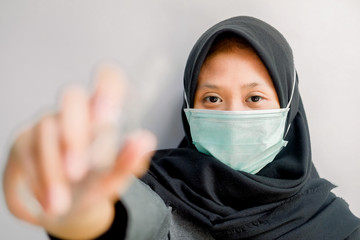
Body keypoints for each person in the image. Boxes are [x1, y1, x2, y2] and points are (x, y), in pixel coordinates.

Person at [3, 16, 360, 240]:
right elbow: (126, 217)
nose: (233, 116)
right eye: (213, 99)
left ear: (289, 109)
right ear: (190, 110)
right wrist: (80, 214)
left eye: (254, 99)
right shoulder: (155, 186)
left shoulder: (339, 228)